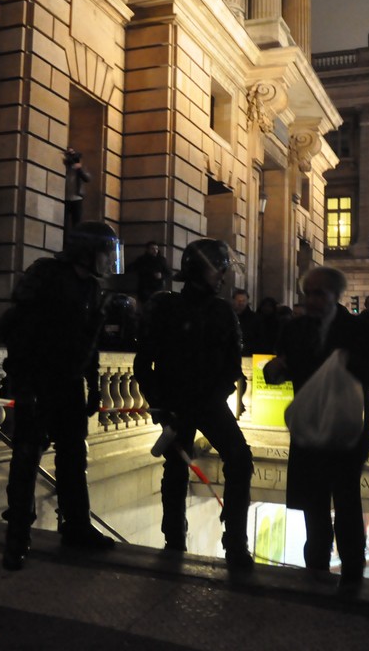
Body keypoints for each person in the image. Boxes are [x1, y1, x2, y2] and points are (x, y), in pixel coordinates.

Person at [0, 221, 120, 570]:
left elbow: (89, 344)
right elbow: (19, 333)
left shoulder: (92, 290)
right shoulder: (47, 274)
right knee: (26, 458)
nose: (109, 261)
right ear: (87, 251)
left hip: (67, 384)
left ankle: (77, 527)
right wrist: (25, 386)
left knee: (72, 457)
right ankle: (17, 538)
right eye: (105, 253)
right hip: (37, 380)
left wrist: (93, 386)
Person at [262, 266, 369, 593]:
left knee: (346, 497)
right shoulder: (294, 329)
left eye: (321, 293)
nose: (313, 300)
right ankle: (316, 567)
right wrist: (273, 371)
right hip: (309, 424)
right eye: (309, 293)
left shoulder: (360, 330)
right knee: (313, 500)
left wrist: (350, 361)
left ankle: (351, 572)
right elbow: (284, 368)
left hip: (350, 426)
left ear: (336, 294)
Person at [133, 239, 254, 569]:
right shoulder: (165, 306)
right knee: (175, 470)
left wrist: (212, 397)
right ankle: (175, 539)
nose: (223, 277)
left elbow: (232, 365)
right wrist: (158, 405)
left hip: (205, 402)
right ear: (204, 270)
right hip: (175, 403)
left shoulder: (222, 311)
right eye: (219, 270)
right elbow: (144, 363)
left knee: (239, 459)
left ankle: (235, 541)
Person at [63, 147, 90, 231]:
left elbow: (87, 179)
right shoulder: (65, 168)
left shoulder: (81, 168)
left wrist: (79, 169)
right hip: (65, 198)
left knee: (77, 223)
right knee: (64, 224)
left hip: (77, 199)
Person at [231, 288, 259, 356]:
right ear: (233, 301)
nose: (241, 303)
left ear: (247, 301)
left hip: (249, 352)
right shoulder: (228, 316)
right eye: (238, 300)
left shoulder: (254, 318)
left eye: (243, 300)